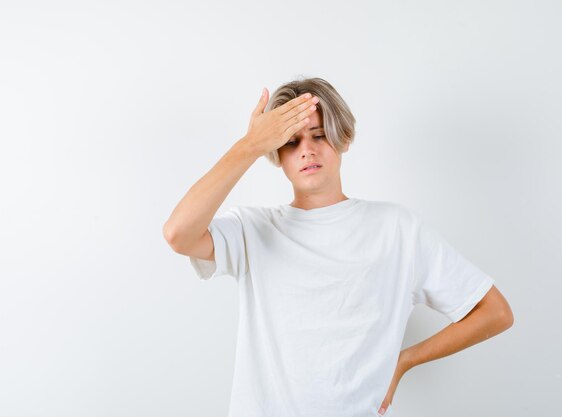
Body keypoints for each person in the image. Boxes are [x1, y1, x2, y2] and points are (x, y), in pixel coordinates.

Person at [163, 77, 513, 417]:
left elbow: (494, 312)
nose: (308, 150)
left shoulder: (396, 229)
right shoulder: (253, 230)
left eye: (319, 135)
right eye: (291, 142)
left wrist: (405, 360)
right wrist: (250, 145)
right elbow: (179, 233)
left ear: (344, 138)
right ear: (277, 155)